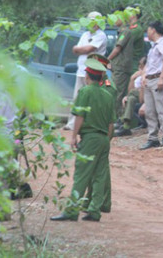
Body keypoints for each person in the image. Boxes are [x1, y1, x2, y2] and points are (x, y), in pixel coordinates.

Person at [51, 58, 115, 222]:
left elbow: (79, 116)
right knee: (99, 175)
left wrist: (73, 137)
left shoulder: (85, 92)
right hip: (103, 139)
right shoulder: (108, 95)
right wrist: (106, 141)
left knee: (81, 175)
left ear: (87, 76)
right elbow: (110, 124)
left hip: (90, 138)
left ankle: (72, 211)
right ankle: (94, 210)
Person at [65, 11, 108, 130]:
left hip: (93, 72)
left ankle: (91, 123)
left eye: (94, 20)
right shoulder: (85, 35)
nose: (91, 23)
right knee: (77, 97)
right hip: (81, 71)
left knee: (92, 98)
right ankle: (72, 124)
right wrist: (81, 49)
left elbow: (89, 49)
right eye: (90, 20)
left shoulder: (101, 35)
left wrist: (80, 49)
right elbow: (75, 49)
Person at [140, 21, 163, 150]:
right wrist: (144, 76)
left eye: (148, 29)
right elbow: (149, 64)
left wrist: (161, 78)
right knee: (150, 110)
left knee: (161, 108)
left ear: (153, 30)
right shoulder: (153, 46)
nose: (147, 32)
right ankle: (153, 137)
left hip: (158, 78)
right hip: (150, 79)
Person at [107, 5, 144, 118]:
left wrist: (107, 60)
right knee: (118, 93)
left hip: (128, 67)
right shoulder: (127, 30)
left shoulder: (132, 30)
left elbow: (119, 48)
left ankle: (120, 119)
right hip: (121, 66)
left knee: (120, 94)